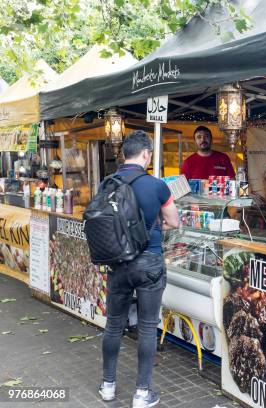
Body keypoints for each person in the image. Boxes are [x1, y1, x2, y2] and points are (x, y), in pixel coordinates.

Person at [98, 130, 179, 408]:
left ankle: (108, 386)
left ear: (123, 154)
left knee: (114, 325)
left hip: (117, 263)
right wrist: (154, 226)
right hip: (149, 262)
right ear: (146, 154)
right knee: (146, 327)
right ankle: (142, 394)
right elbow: (174, 221)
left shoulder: (106, 183)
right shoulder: (157, 186)